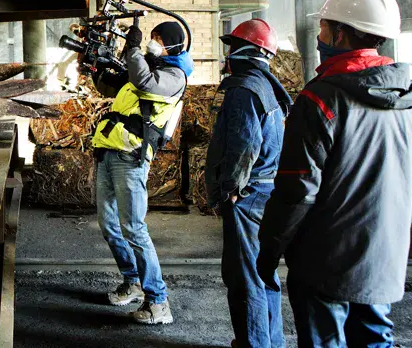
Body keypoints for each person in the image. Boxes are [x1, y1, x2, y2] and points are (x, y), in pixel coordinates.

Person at [258, 0, 412, 348]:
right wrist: (383, 236)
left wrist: (270, 247)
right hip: (379, 265)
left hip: (322, 265)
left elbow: (296, 192)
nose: (318, 36)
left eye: (322, 27)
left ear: (340, 34)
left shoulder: (320, 100)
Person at [92, 20, 193, 325]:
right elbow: (111, 86)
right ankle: (132, 281)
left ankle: (158, 302)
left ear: (174, 44)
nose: (153, 42)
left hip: (132, 158)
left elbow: (146, 84)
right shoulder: (146, 67)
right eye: (151, 38)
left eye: (158, 39)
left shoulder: (174, 76)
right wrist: (97, 65)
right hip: (110, 152)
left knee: (134, 229)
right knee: (109, 225)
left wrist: (133, 49)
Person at [206, 19, 291, 348]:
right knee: (263, 273)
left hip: (248, 195)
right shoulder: (266, 86)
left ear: (249, 50)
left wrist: (230, 191)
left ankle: (253, 344)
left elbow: (244, 146)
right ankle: (271, 342)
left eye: (232, 46)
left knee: (245, 279)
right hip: (266, 192)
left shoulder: (244, 89)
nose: (228, 53)